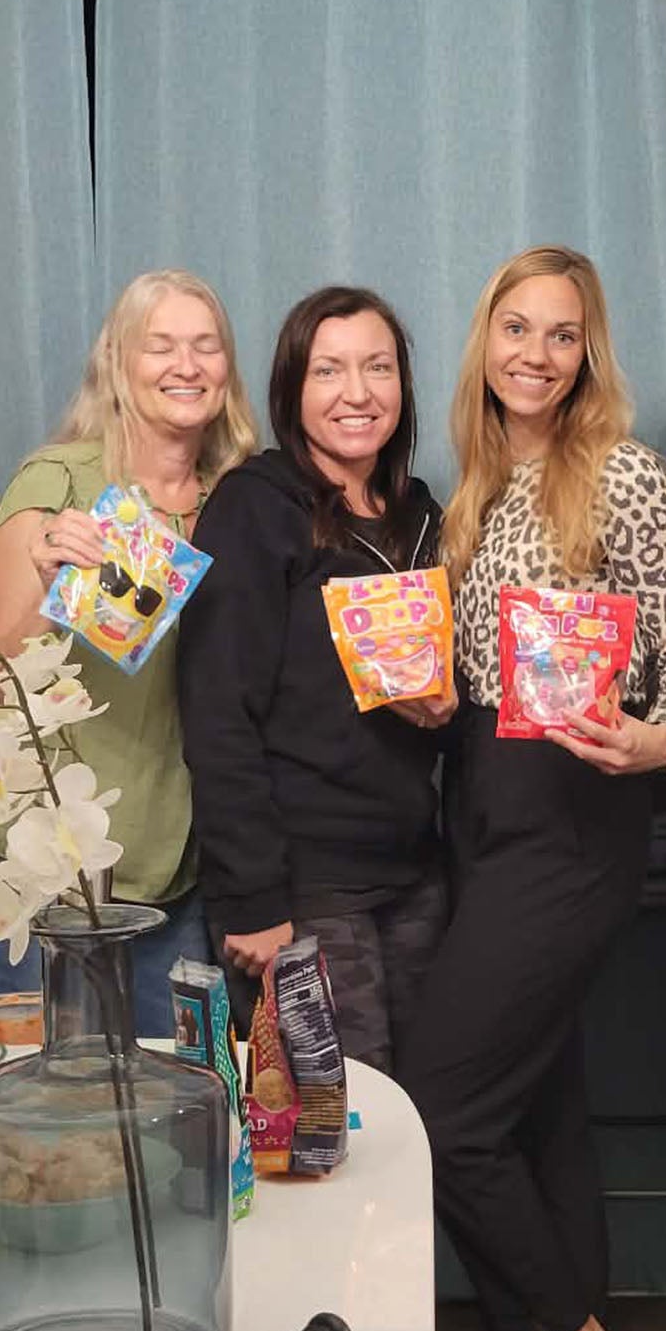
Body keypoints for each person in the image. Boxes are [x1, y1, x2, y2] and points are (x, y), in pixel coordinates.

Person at [398, 246, 666, 1331]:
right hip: (479, 810)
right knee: (537, 1106)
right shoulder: (472, 489)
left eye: (562, 334)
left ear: (590, 353)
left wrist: (658, 736)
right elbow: (470, 675)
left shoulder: (622, 473)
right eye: (515, 329)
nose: (535, 353)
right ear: (484, 341)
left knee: (443, 1103)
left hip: (577, 813)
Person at [0, 269, 257, 1037]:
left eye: (206, 346)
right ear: (116, 362)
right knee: (50, 1125)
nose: (186, 365)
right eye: (160, 346)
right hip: (47, 875)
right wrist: (43, 570)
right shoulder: (59, 479)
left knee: (177, 1117)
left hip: (177, 870)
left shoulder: (234, 498)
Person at [178, 286, 452, 1073]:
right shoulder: (255, 508)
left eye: (378, 367)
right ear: (292, 390)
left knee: (417, 1118)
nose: (358, 393)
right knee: (335, 1127)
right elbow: (216, 712)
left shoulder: (417, 513)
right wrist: (253, 902)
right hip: (303, 887)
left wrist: (444, 707)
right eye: (329, 371)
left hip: (411, 872)